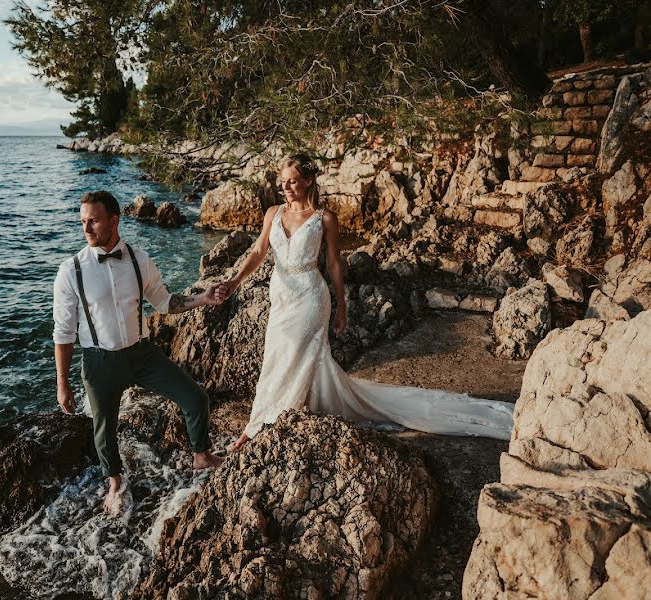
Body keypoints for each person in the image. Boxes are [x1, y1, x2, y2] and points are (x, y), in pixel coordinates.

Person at [219, 155, 513, 451]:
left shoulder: (325, 218)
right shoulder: (274, 212)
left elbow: (334, 264)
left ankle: (259, 425)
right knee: (276, 354)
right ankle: (272, 415)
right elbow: (258, 252)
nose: (286, 186)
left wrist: (341, 306)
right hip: (280, 293)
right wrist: (235, 281)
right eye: (283, 181)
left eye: (292, 181)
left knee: (294, 351)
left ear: (308, 181)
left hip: (309, 297)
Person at [53, 191, 226, 514]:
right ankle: (115, 481)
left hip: (143, 355)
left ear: (114, 221)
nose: (86, 228)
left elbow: (164, 302)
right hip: (99, 361)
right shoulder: (71, 271)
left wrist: (203, 298)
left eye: (93, 220)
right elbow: (63, 333)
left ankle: (201, 455)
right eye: (82, 222)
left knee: (195, 397)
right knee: (104, 428)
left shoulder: (139, 259)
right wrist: (62, 383)